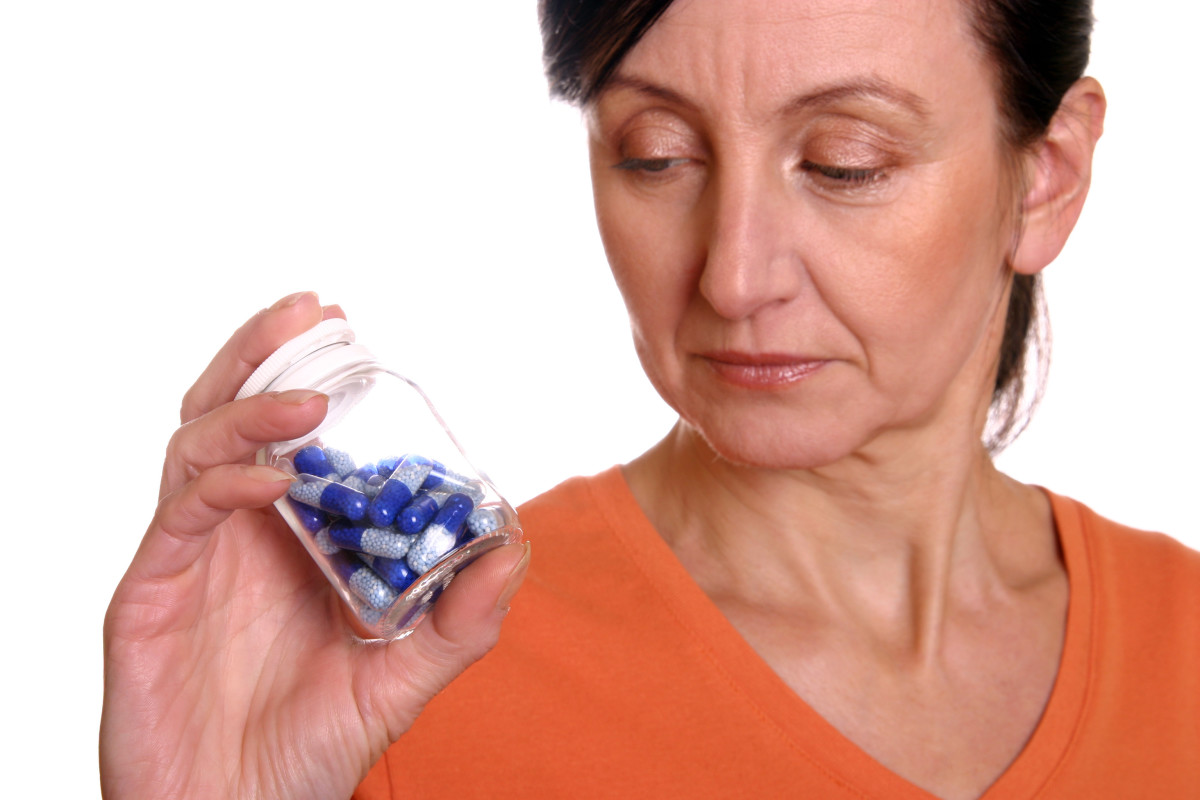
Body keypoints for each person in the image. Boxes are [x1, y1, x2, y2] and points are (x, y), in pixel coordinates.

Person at [100, 0, 1200, 798]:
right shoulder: (408, 680)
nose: (733, 276)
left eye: (844, 162)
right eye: (655, 155)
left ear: (1047, 176)